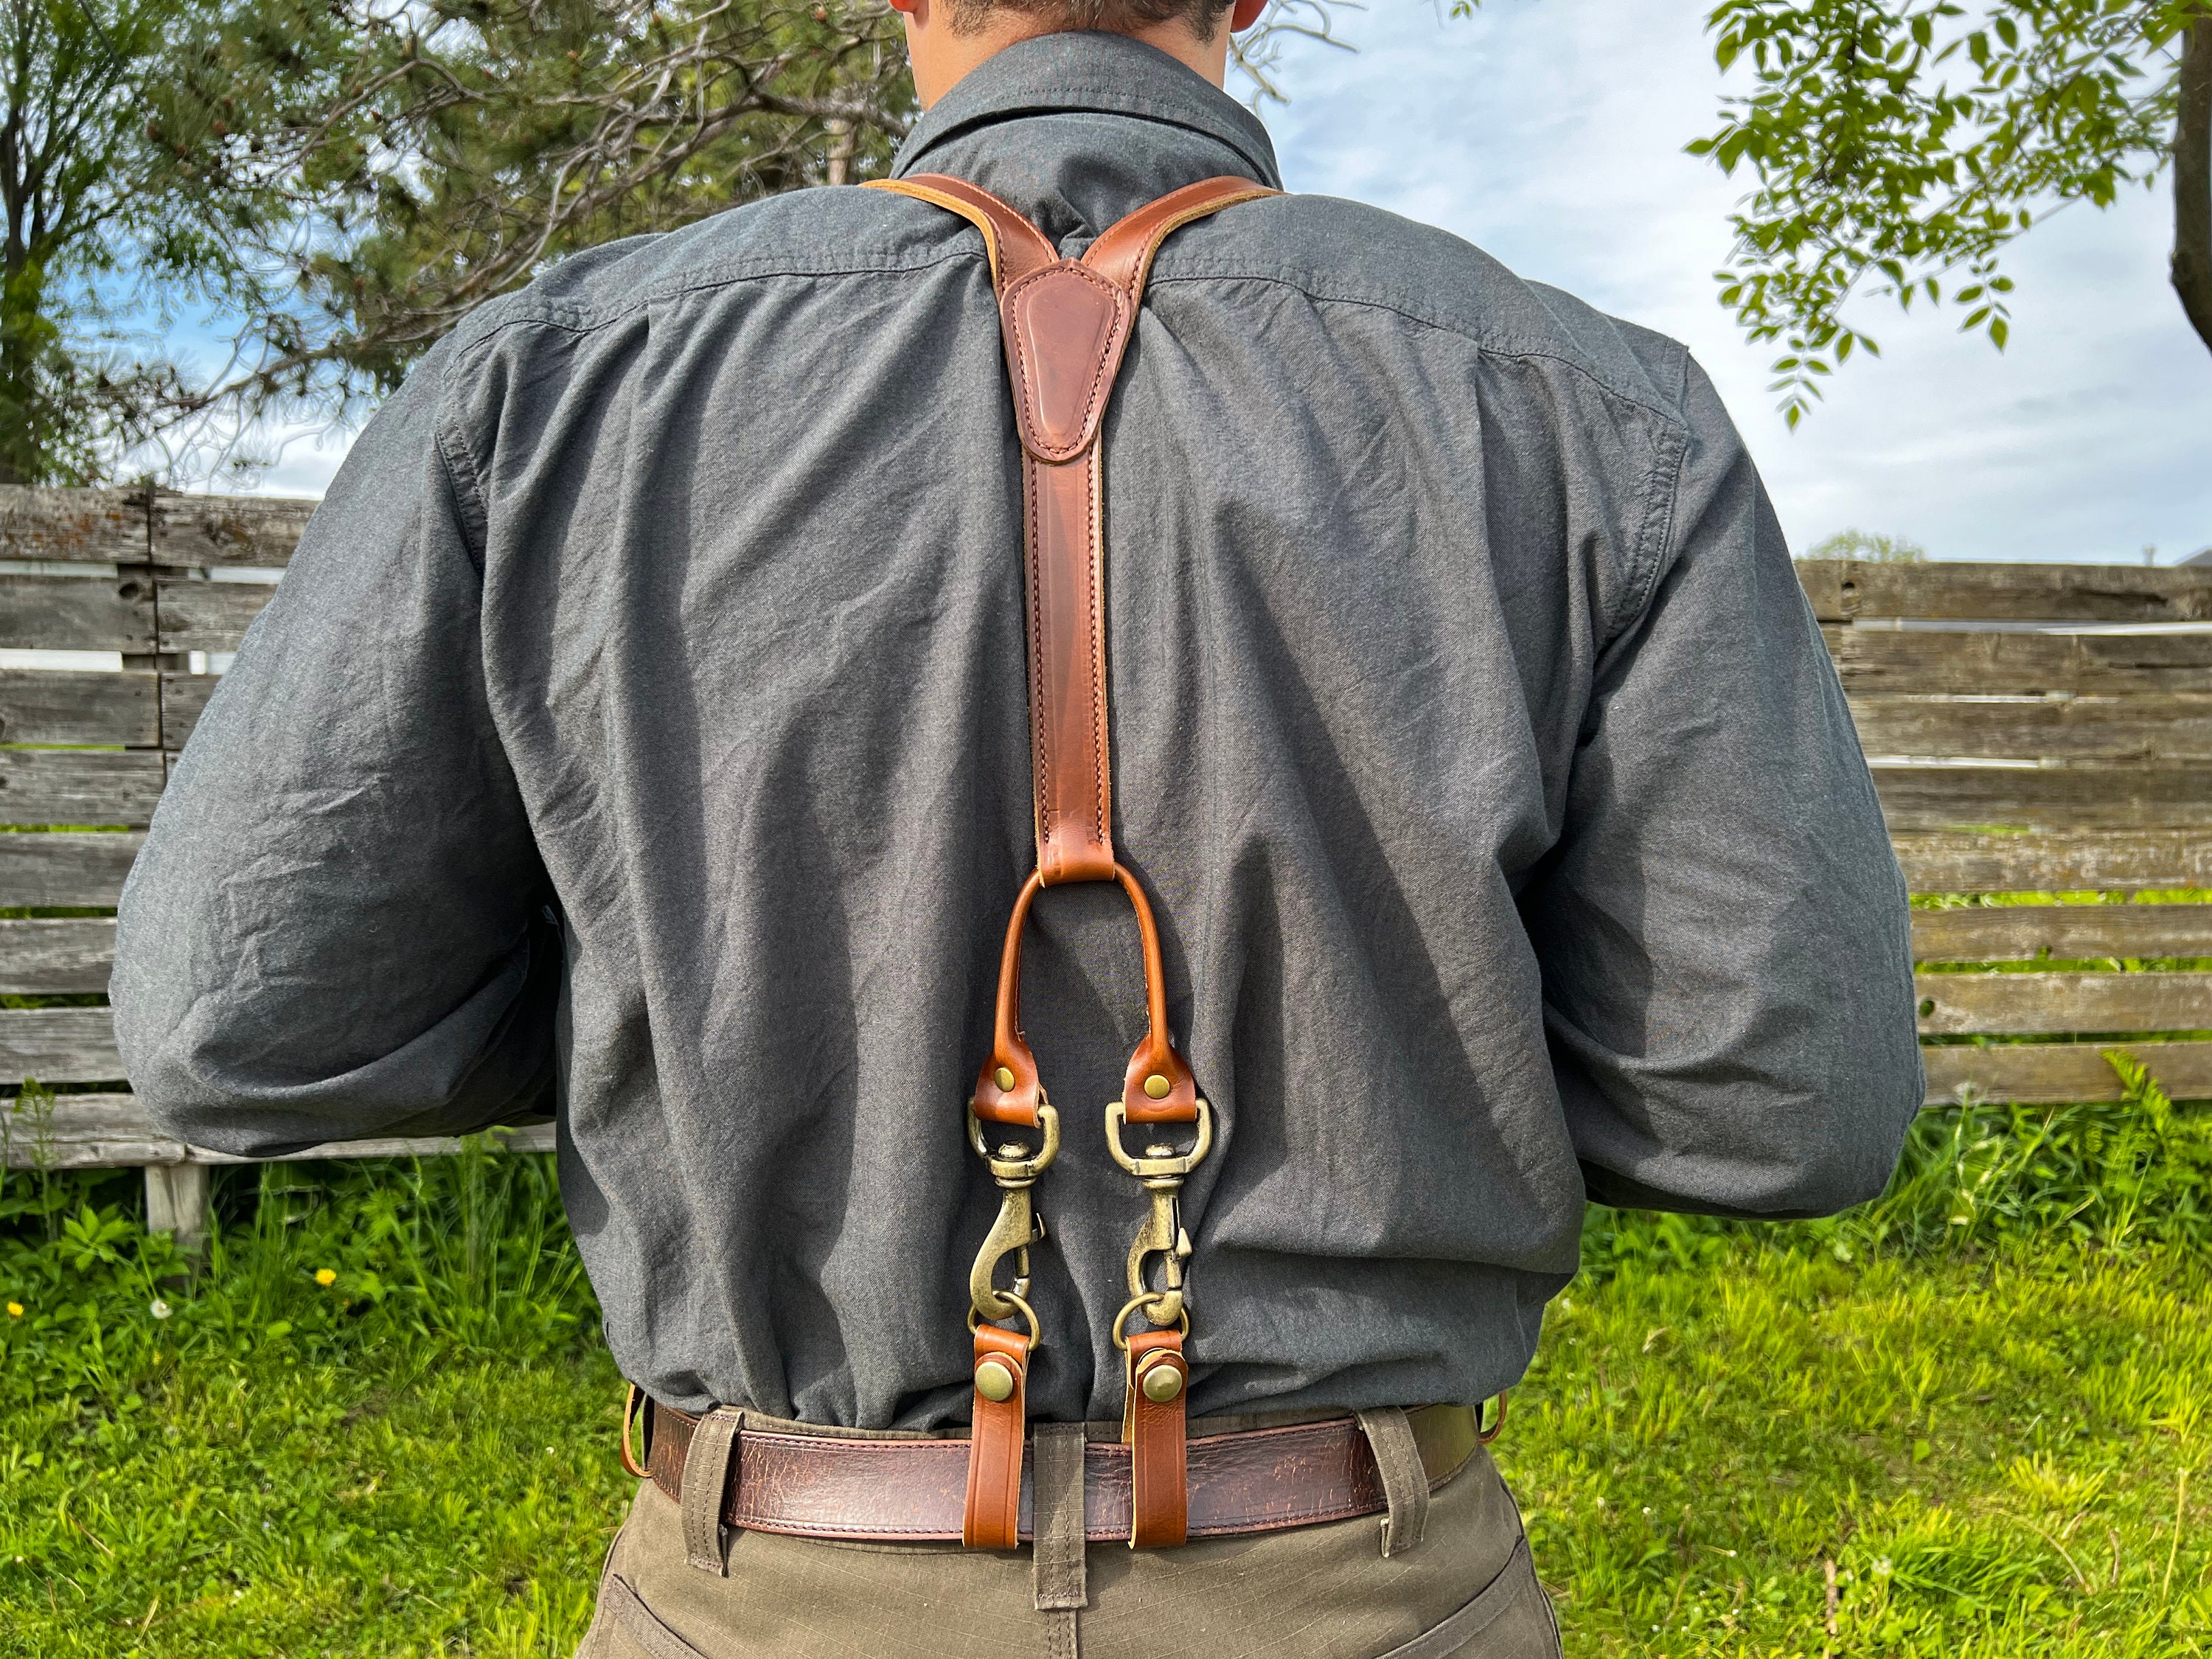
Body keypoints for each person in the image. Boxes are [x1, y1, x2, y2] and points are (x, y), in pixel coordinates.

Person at [108, 0, 1926, 1650]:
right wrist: (1413, 1044)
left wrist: (663, 1003)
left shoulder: (551, 387)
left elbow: (236, 1025)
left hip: (764, 1598)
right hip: (1365, 1596)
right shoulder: (1592, 414)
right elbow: (1782, 1099)